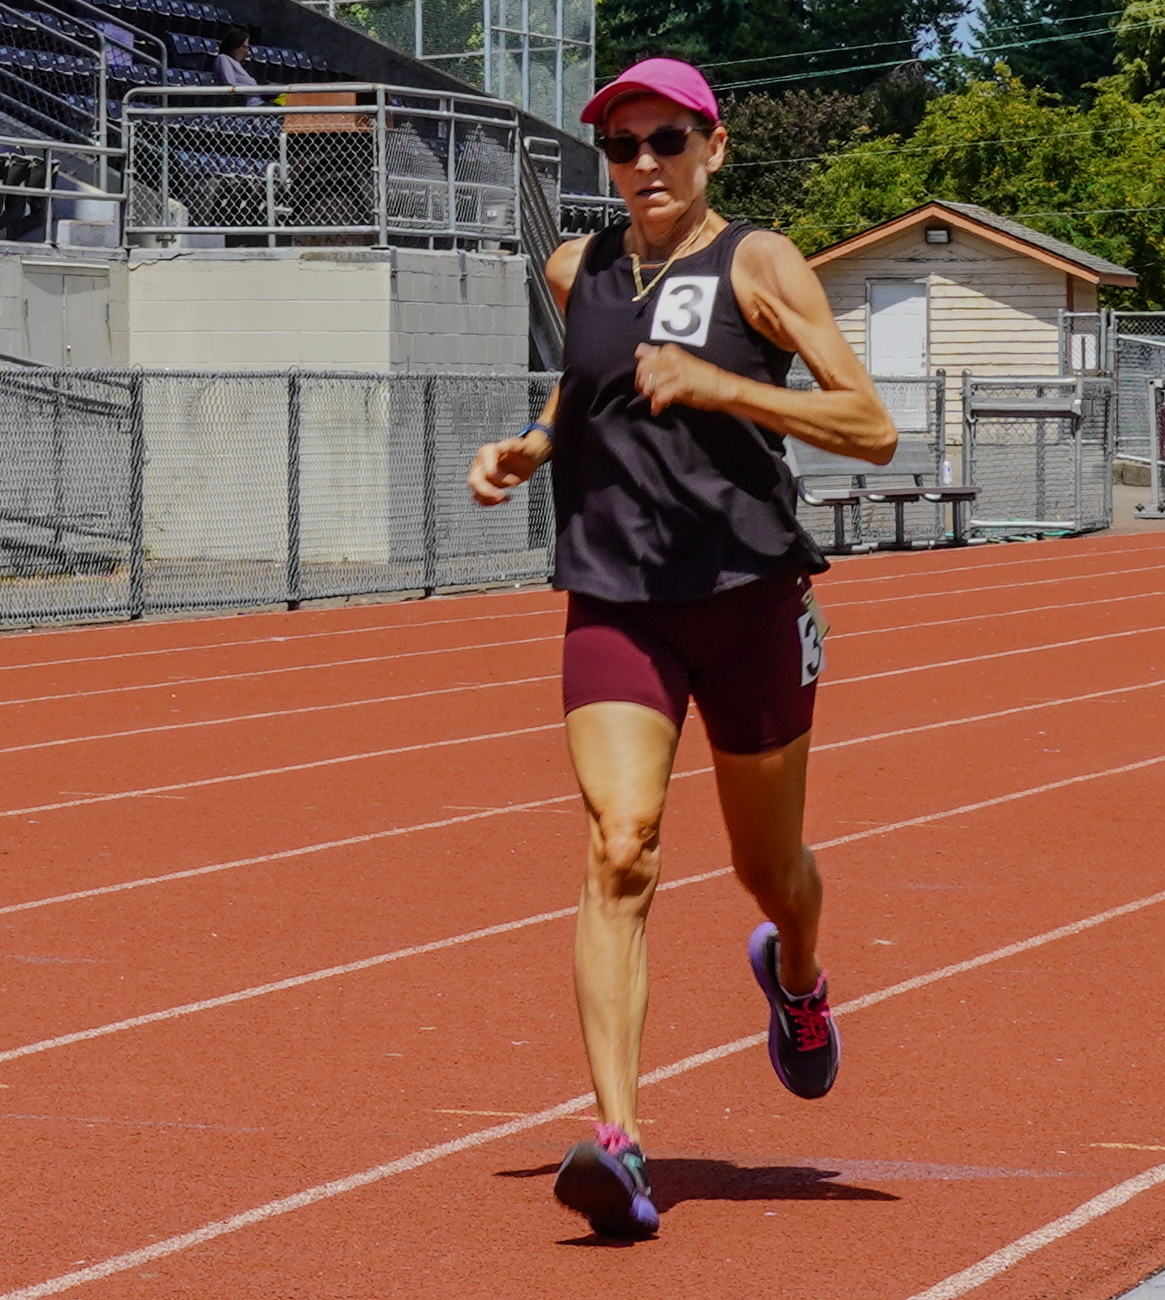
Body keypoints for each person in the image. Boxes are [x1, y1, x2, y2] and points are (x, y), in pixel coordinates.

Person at [466, 57, 895, 1240]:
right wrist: (533, 447)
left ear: (713, 146)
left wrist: (725, 387)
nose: (642, 165)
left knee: (773, 873)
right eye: (620, 146)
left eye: (664, 142)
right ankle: (619, 1141)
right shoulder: (580, 267)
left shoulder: (759, 261)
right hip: (617, 598)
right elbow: (583, 389)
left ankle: (797, 978)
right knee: (621, 844)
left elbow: (871, 427)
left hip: (750, 594)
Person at [214, 28, 263, 106]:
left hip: (258, 101)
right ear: (234, 46)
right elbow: (230, 83)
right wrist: (254, 89)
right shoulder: (223, 58)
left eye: (247, 47)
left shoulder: (237, 64)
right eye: (244, 47)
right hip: (249, 105)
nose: (246, 51)